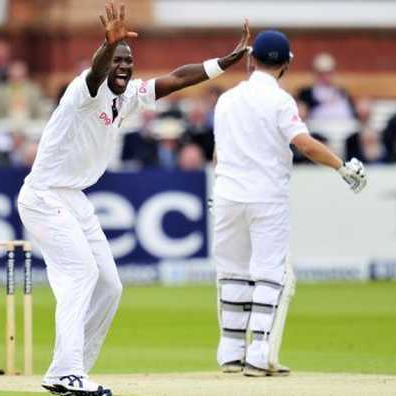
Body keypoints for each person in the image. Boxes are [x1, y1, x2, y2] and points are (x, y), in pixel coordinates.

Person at [16, 3, 250, 395]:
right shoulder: (84, 92)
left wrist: (224, 62)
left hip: (73, 196)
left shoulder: (128, 97)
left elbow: (175, 79)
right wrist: (108, 48)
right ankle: (67, 371)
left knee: (110, 285)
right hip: (43, 195)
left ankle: (71, 370)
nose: (124, 66)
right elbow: (94, 72)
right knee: (80, 274)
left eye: (129, 61)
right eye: (117, 60)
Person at [212, 30, 367, 378]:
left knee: (233, 272)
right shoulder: (280, 101)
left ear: (251, 60)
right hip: (266, 197)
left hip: (226, 196)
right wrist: (343, 168)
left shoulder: (226, 100)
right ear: (285, 64)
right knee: (269, 274)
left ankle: (231, 352)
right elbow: (304, 144)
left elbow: (218, 152)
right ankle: (258, 353)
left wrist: (219, 187)